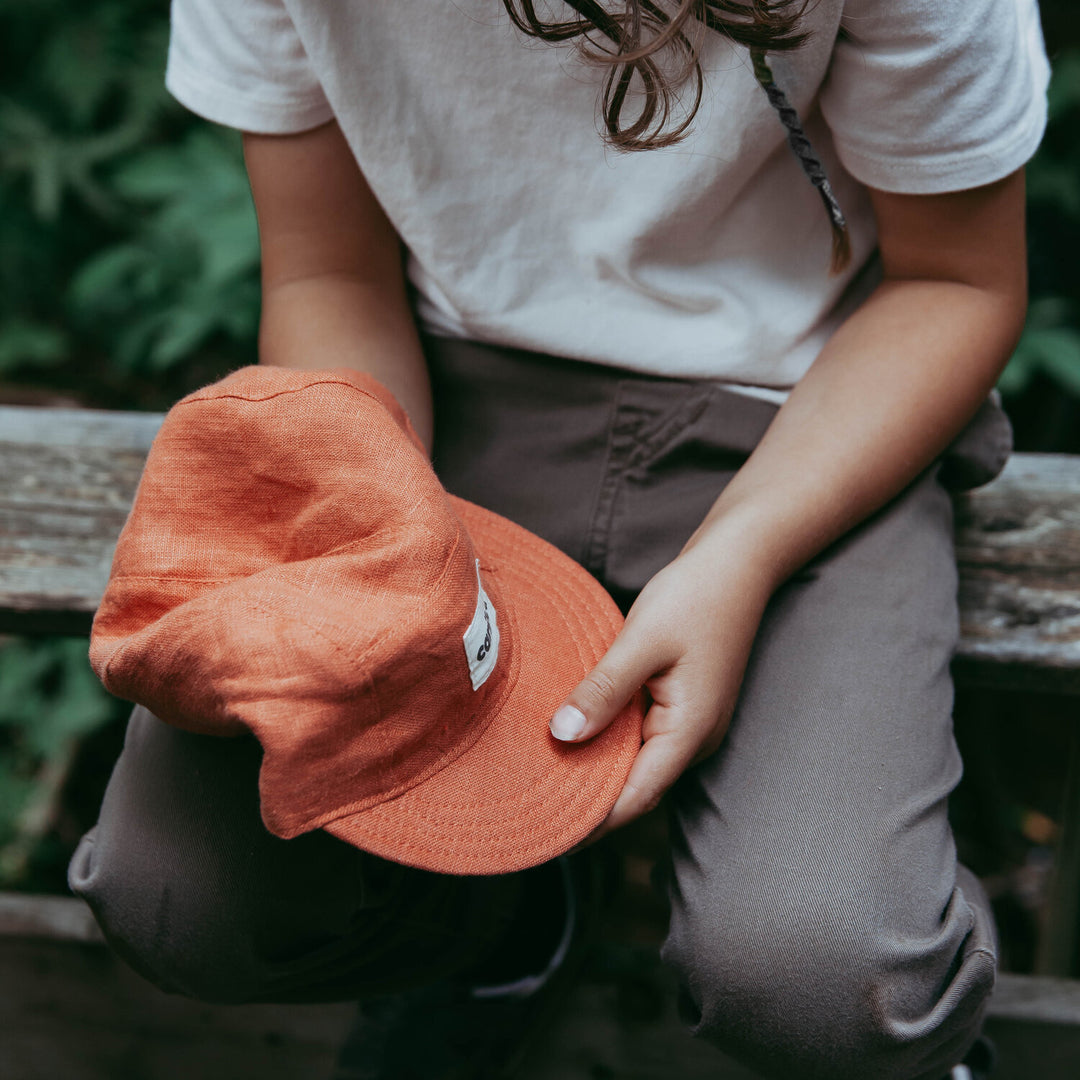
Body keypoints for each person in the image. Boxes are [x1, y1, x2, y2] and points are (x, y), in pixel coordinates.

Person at [69, 2, 1050, 1078]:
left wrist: (740, 557)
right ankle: (503, 924)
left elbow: (953, 280)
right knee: (178, 898)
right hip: (441, 402)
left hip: (812, 421)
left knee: (827, 979)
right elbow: (328, 276)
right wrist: (380, 526)